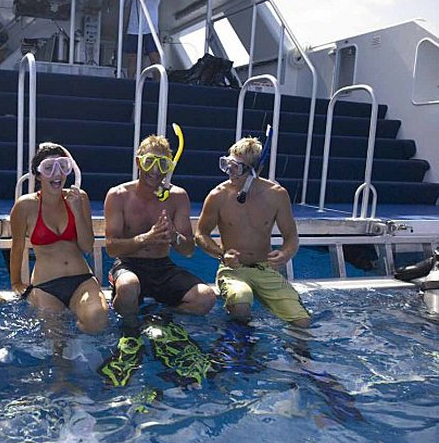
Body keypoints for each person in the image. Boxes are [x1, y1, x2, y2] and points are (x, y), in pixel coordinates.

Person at [195, 136, 311, 328]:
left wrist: (285, 254)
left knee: (302, 321)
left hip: (264, 268)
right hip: (233, 270)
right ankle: (241, 344)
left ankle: (297, 349)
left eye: (237, 168)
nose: (230, 173)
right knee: (241, 300)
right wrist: (222, 254)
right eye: (227, 165)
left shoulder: (277, 195)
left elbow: (291, 237)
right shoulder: (218, 195)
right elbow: (201, 234)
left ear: (257, 169)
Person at [105, 135, 216, 327]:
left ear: (169, 168)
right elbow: (111, 248)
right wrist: (145, 239)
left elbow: (188, 250)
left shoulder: (178, 197)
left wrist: (174, 237)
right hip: (128, 264)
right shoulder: (118, 195)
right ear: (138, 162)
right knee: (128, 286)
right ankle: (130, 331)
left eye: (162, 164)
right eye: (149, 162)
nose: (155, 170)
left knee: (206, 298)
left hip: (162, 266)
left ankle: (159, 318)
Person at [10, 142, 109, 334]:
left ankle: (82, 347)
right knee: (56, 340)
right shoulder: (25, 206)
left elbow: (87, 246)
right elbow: (17, 247)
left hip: (81, 280)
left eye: (62, 166)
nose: (57, 174)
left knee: (97, 320)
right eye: (49, 168)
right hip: (46, 286)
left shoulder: (79, 198)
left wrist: (77, 211)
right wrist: (16, 283)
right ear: (38, 174)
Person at [125, 0, 165, 79]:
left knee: (154, 57)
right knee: (132, 57)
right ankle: (129, 83)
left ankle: (158, 84)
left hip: (150, 26)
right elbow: (128, 1)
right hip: (134, 26)